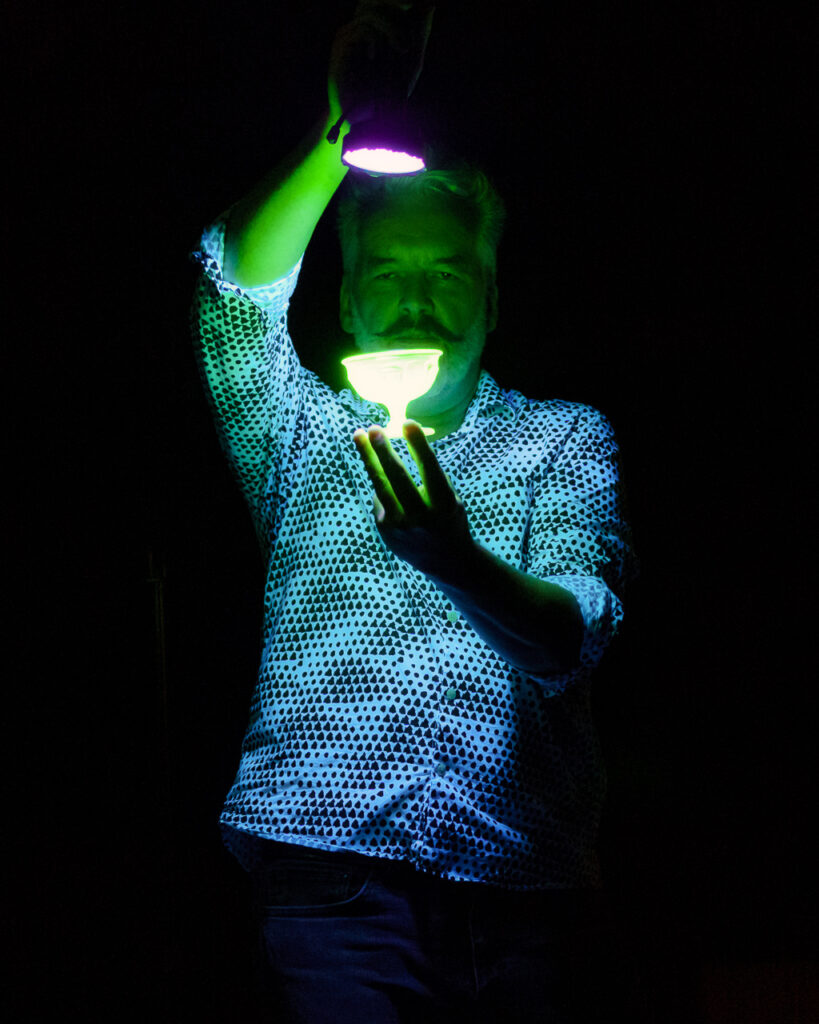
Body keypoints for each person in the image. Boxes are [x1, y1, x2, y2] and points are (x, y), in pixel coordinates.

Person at [190, 3, 638, 1021]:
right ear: (346, 302)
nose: (417, 300)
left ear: (492, 294)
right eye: (388, 274)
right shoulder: (298, 429)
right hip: (328, 881)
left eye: (447, 273)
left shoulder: (564, 439)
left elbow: (577, 632)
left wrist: (457, 559)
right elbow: (229, 285)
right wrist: (337, 138)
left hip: (524, 888)